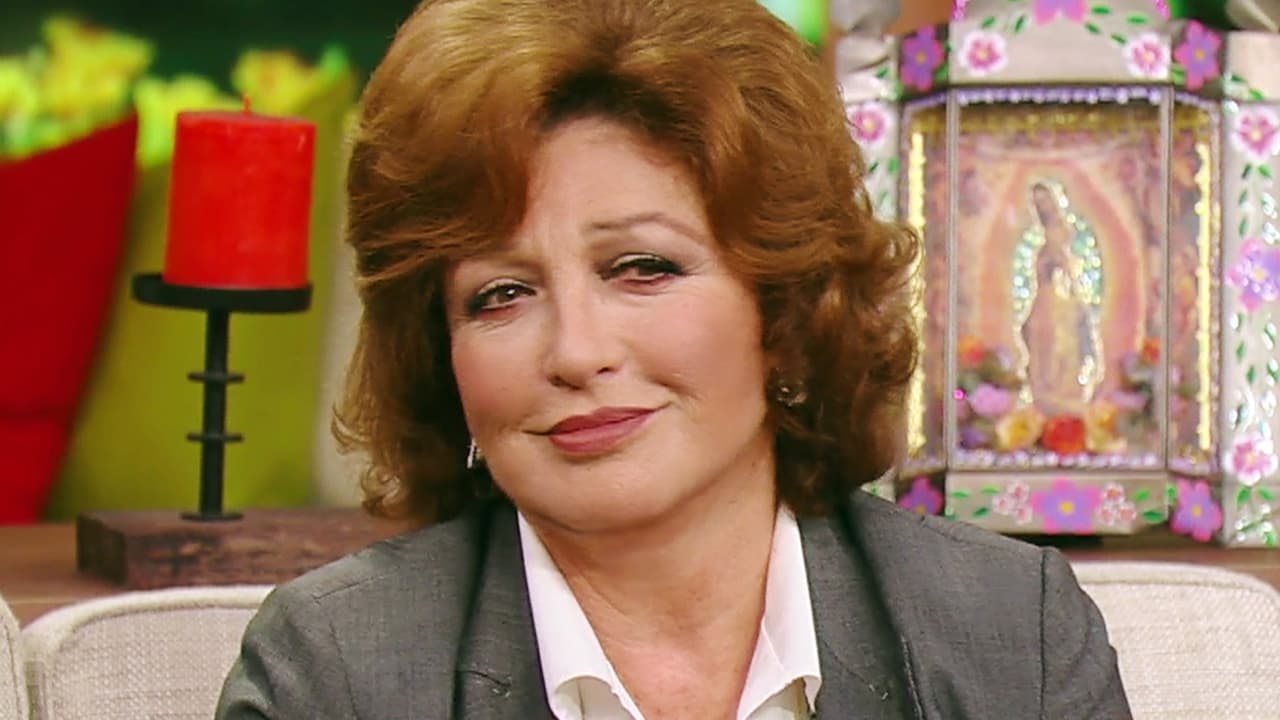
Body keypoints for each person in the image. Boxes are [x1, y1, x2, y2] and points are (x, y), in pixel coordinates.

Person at [216, 1, 1132, 718]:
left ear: (784, 309)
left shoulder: (1010, 636)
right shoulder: (337, 670)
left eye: (642, 268)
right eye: (501, 294)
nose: (576, 352)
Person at [1013, 180, 1106, 418]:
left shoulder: (1061, 238)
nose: (1043, 206)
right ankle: (1047, 394)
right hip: (1045, 304)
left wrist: (1074, 293)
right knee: (1044, 347)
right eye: (1038, 203)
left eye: (1045, 201)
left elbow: (1067, 271)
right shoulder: (1043, 249)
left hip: (1060, 304)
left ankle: (1063, 393)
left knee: (1064, 347)